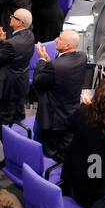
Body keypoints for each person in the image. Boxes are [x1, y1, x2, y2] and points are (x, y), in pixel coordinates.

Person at [61, 77, 105, 208]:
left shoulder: (84, 113)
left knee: (79, 200)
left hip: (82, 169)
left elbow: (69, 125)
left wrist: (84, 106)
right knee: (99, 199)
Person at [0, 7, 35, 160]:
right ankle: (21, 145)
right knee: (19, 115)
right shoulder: (29, 35)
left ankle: (11, 156)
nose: (10, 19)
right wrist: (3, 40)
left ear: (20, 22)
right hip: (20, 84)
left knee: (6, 121)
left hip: (8, 86)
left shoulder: (12, 44)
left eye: (12, 17)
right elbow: (12, 54)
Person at [32, 30, 86, 159]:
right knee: (65, 147)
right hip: (71, 113)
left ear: (67, 46)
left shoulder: (55, 66)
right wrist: (50, 63)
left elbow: (37, 81)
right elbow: (61, 73)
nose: (56, 39)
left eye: (60, 39)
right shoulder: (82, 57)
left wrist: (42, 60)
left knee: (50, 152)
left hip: (53, 118)